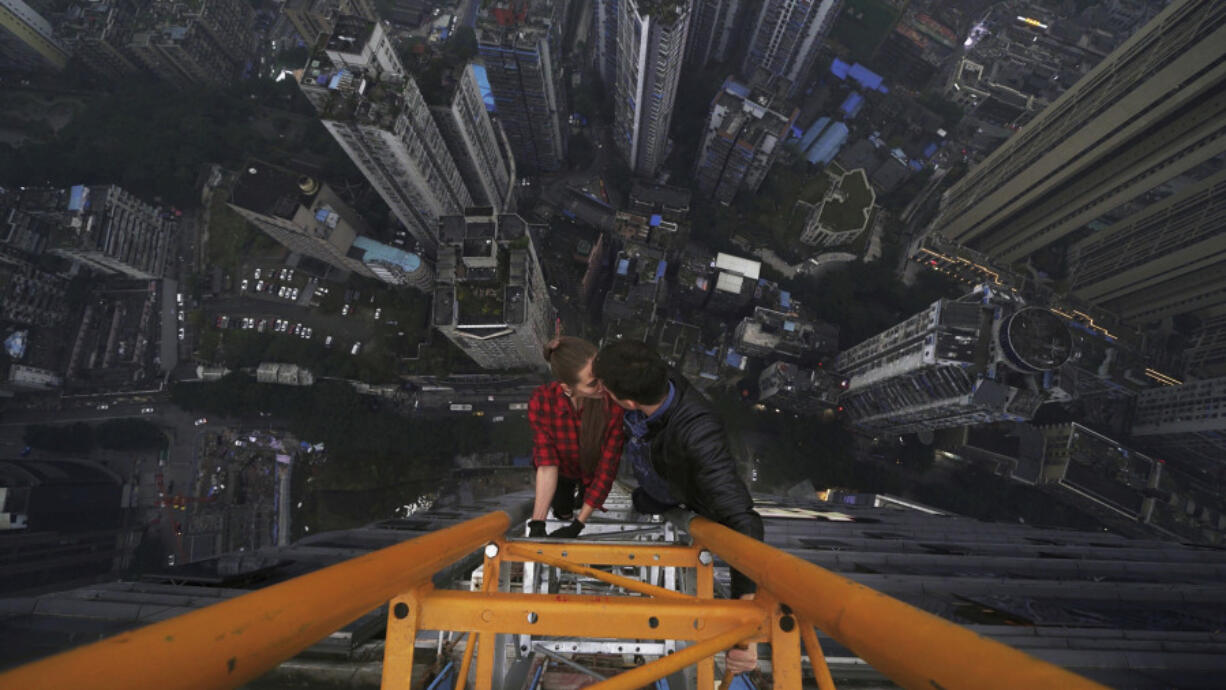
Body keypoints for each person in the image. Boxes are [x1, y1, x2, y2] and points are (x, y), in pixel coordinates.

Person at [593, 340, 763, 675]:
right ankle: (645, 496)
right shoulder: (651, 376)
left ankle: (647, 498)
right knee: (642, 499)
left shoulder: (699, 433)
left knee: (646, 500)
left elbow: (744, 523)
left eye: (604, 389)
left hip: (672, 493)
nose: (600, 391)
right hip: (654, 474)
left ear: (628, 402)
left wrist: (748, 634)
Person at [527, 337, 626, 539]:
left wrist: (579, 524)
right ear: (567, 388)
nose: (602, 386)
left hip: (591, 470)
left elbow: (607, 467)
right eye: (592, 384)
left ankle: (579, 506)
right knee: (562, 510)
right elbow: (546, 463)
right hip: (562, 472)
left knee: (584, 502)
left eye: (602, 377)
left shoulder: (612, 406)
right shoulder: (543, 401)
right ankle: (565, 512)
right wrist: (538, 522)